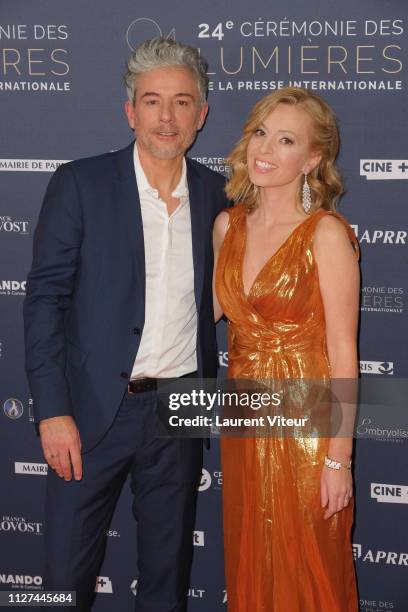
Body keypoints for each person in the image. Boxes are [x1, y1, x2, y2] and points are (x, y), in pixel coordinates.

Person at [24, 38, 228, 612]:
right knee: (65, 579)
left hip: (178, 409)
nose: (167, 117)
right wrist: (53, 411)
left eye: (182, 102)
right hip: (89, 413)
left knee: (166, 577)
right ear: (129, 111)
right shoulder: (80, 184)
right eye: (152, 101)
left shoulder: (219, 195)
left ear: (202, 114)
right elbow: (44, 301)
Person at [213, 87, 359, 611]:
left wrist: (338, 461)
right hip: (245, 416)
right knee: (252, 555)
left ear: (312, 160)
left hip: (307, 425)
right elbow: (195, 317)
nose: (265, 148)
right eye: (260, 132)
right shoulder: (226, 227)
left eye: (286, 139)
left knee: (309, 567)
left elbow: (344, 353)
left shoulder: (325, 234)